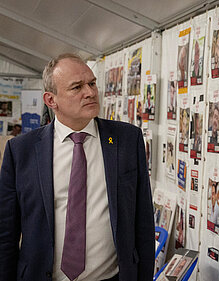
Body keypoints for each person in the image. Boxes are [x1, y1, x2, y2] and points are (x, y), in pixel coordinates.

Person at [0, 53, 155, 281]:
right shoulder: (21, 151)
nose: (90, 92)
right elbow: (6, 233)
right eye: (77, 87)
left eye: (92, 83)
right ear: (51, 100)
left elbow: (143, 220)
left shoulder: (126, 140)